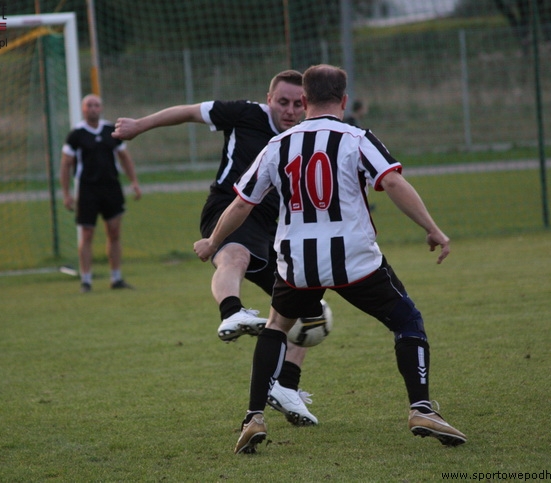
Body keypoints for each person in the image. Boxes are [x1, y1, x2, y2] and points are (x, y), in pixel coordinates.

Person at [193, 64, 467, 454]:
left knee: (276, 327)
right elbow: (392, 181)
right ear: (344, 100)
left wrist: (212, 241)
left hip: (298, 262)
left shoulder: (278, 145)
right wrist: (432, 228)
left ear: (304, 100)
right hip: (354, 259)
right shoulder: (356, 138)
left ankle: (253, 417)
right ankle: (421, 408)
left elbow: (241, 203)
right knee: (407, 320)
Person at [113, 70, 322, 426]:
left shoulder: (306, 137)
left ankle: (286, 386)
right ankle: (232, 311)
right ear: (268, 99)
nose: (289, 111)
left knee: (309, 308)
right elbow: (188, 112)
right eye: (282, 102)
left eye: (296, 104)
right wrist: (139, 125)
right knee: (235, 256)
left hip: (270, 227)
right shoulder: (245, 114)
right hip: (228, 208)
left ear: (306, 104)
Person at [60, 94, 142, 293]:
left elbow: (124, 157)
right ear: (83, 109)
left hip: (111, 188)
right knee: (87, 234)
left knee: (114, 232)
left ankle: (116, 278)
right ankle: (86, 280)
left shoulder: (110, 131)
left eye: (96, 105)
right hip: (87, 190)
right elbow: (66, 164)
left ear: (101, 108)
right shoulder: (76, 134)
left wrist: (134, 182)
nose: (93, 108)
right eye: (89, 105)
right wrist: (66, 193)